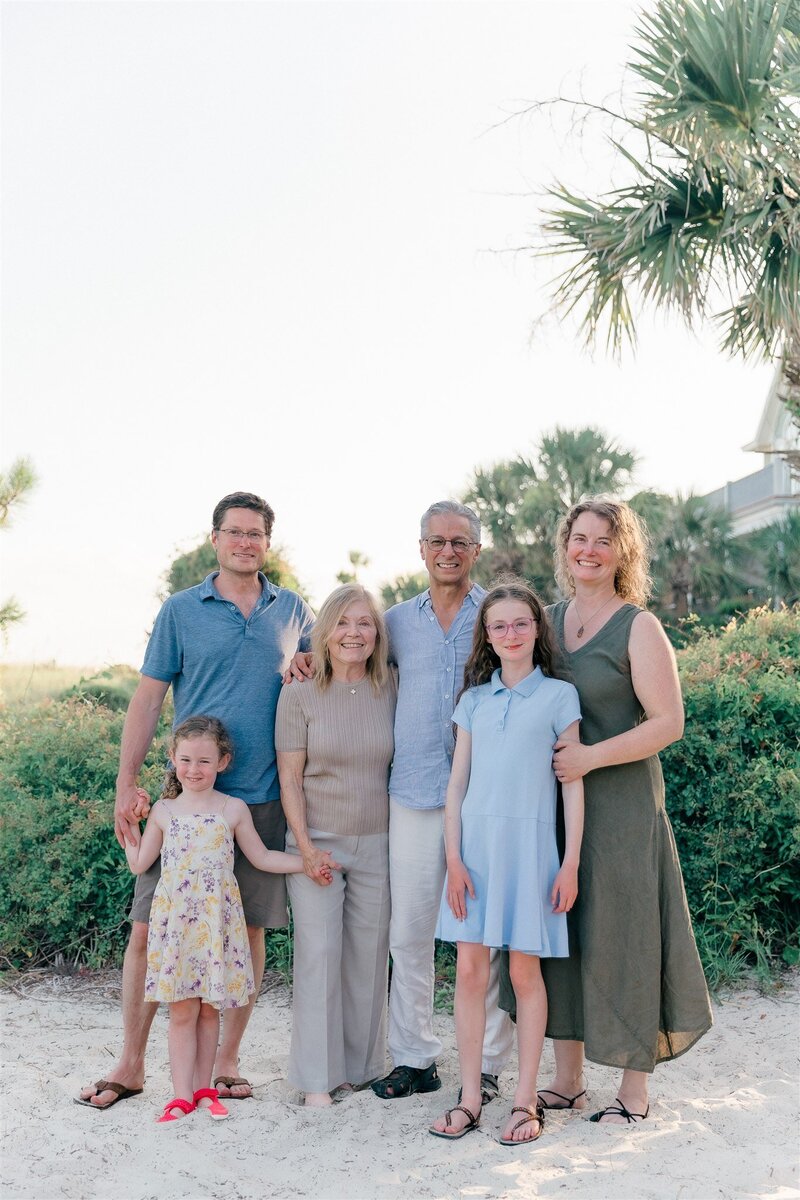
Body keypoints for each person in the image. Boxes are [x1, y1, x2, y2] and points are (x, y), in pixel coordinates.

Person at [77, 491, 314, 1110]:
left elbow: (319, 683)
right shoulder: (182, 610)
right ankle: (130, 1063)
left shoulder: (293, 610)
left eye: (256, 534)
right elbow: (150, 698)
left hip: (260, 795)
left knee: (251, 929)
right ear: (215, 539)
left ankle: (227, 1060)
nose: (245, 542)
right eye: (234, 532)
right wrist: (127, 782)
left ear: (268, 542)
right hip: (187, 799)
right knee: (147, 927)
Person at [290, 502, 514, 1100]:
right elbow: (350, 660)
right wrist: (306, 657)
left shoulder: (499, 616)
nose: (448, 551)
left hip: (486, 797)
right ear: (420, 549)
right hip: (412, 796)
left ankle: (488, 1062)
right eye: (437, 541)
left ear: (476, 549)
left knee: (485, 936)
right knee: (408, 934)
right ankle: (416, 1058)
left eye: (460, 542)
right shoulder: (394, 623)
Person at [504, 498, 713, 1125]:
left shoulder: (639, 626)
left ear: (623, 552)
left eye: (602, 540)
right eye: (578, 538)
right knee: (560, 937)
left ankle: (634, 1090)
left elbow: (669, 724)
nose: (588, 550)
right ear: (565, 546)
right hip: (556, 808)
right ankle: (567, 1082)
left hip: (621, 807)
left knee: (625, 935)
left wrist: (590, 759)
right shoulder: (547, 620)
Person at [430, 582, 583, 1144]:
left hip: (533, 853)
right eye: (499, 626)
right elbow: (457, 786)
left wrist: (568, 864)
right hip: (475, 854)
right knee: (470, 972)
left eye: (521, 624)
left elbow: (573, 788)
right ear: (487, 636)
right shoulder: (473, 701)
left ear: (537, 630)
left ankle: (524, 1104)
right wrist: (454, 858)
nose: (511, 634)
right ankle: (470, 1099)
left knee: (524, 973)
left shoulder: (560, 697)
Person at [125, 716, 334, 1123]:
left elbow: (262, 857)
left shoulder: (232, 809)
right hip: (179, 929)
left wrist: (308, 862)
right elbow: (139, 864)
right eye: (185, 760)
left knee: (208, 1010)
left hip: (216, 926)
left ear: (223, 762)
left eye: (204, 761)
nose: (194, 769)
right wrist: (132, 823)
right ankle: (181, 1095)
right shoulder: (165, 812)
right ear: (172, 759)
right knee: (182, 1010)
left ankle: (205, 1091)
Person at [276, 585, 397, 1106]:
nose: (354, 633)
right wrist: (304, 847)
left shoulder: (391, 685)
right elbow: (290, 780)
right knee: (320, 953)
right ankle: (316, 1080)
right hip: (316, 842)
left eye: (365, 623)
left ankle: (360, 1068)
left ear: (377, 633)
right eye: (344, 623)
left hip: (379, 840)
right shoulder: (298, 693)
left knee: (368, 959)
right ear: (324, 631)